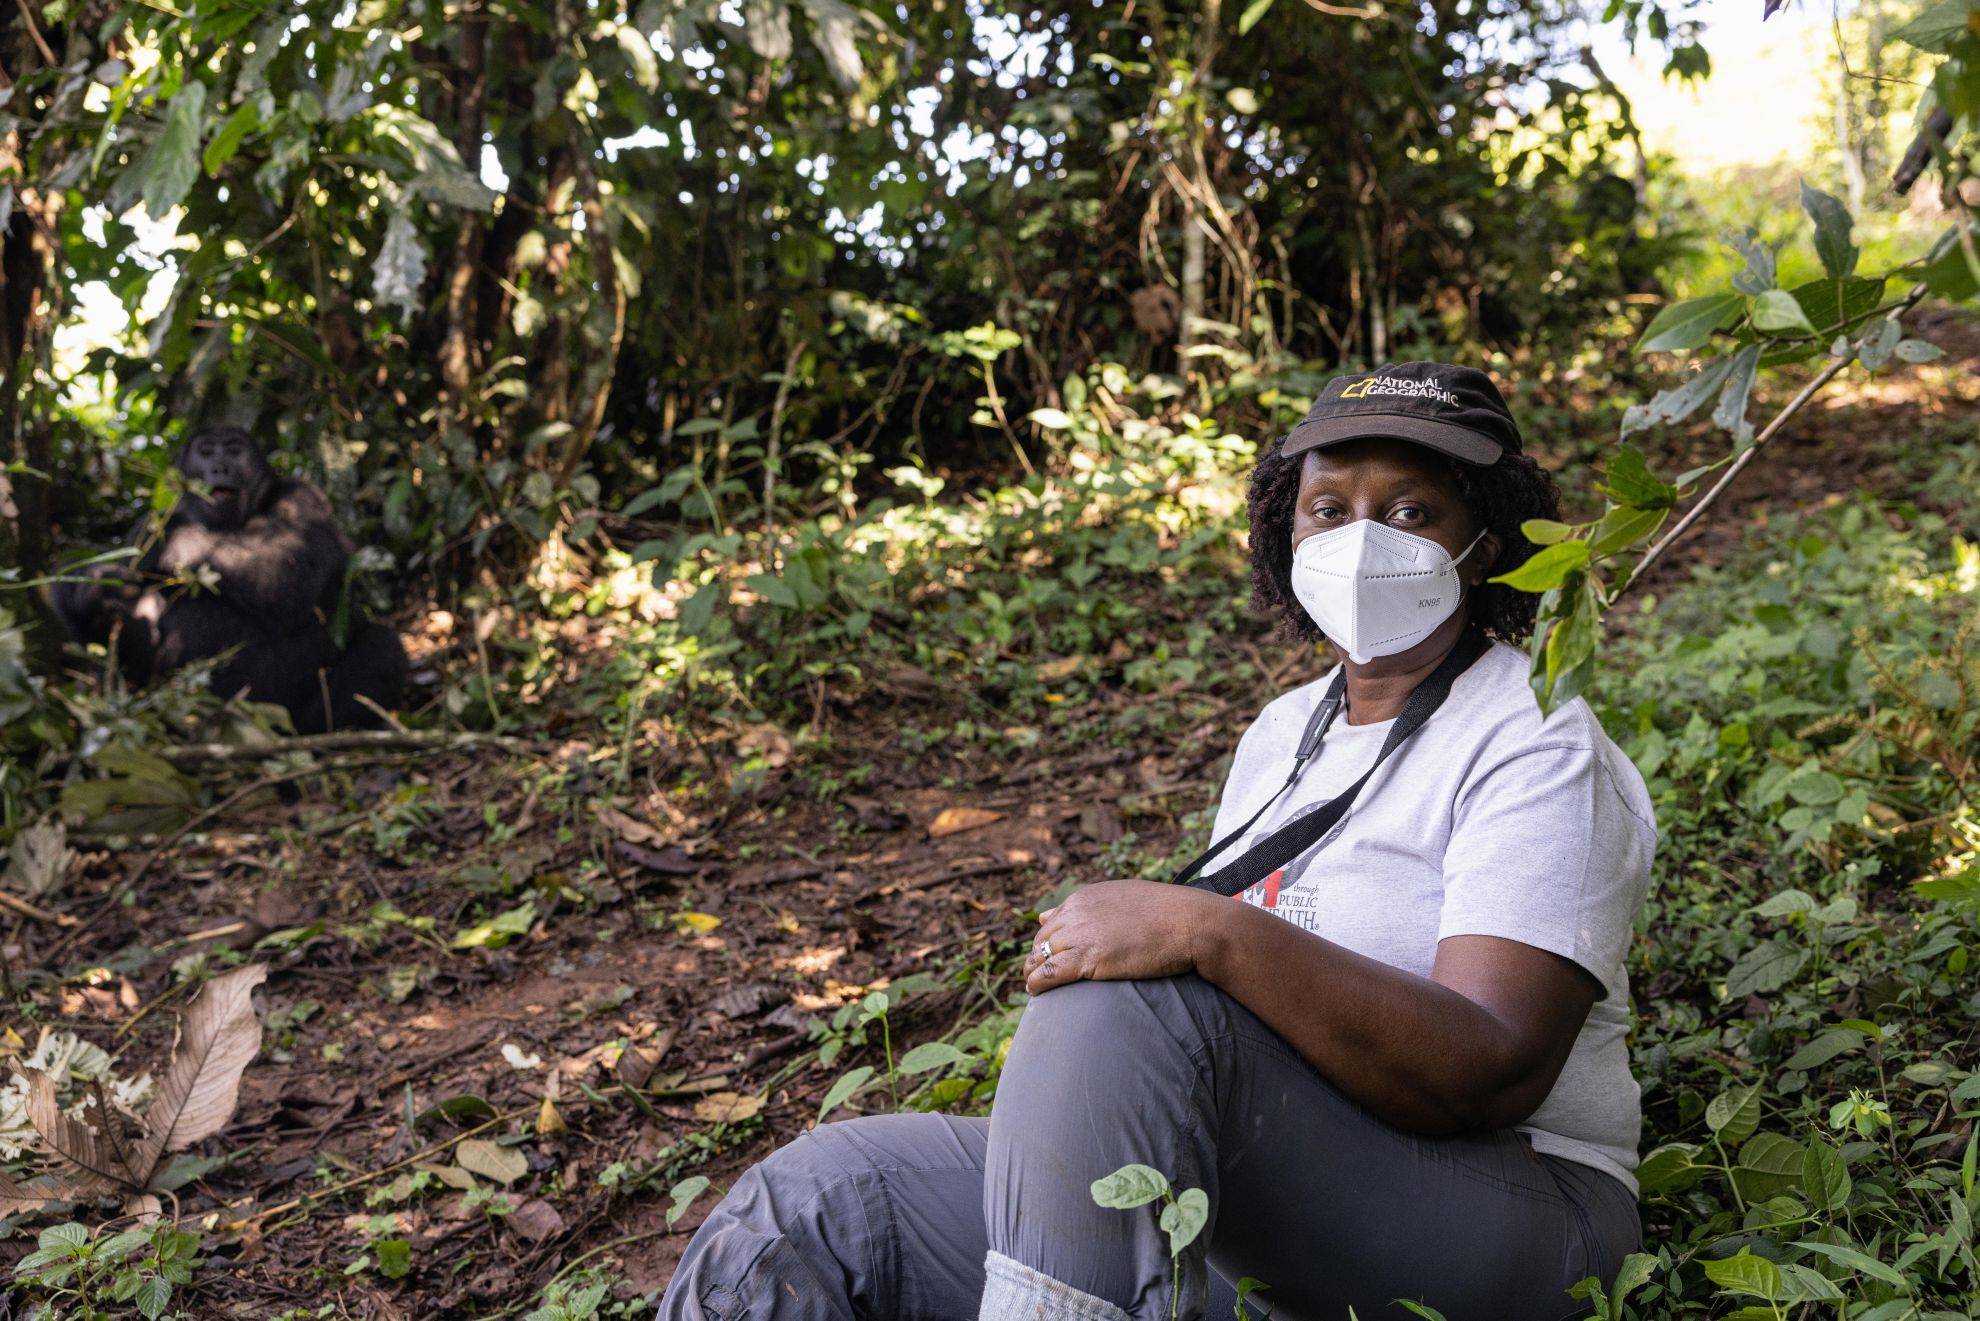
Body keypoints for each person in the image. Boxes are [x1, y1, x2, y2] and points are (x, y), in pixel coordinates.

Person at [662, 362, 1656, 1321]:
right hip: (1279, 1196)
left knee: (1139, 997)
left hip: (1512, 1213)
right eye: (1329, 509)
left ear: (1481, 544)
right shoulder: (1282, 733)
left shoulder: (1533, 735)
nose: (1360, 540)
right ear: (1286, 531)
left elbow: (1494, 1064)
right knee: (827, 1197)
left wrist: (1213, 933)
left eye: (1408, 512)